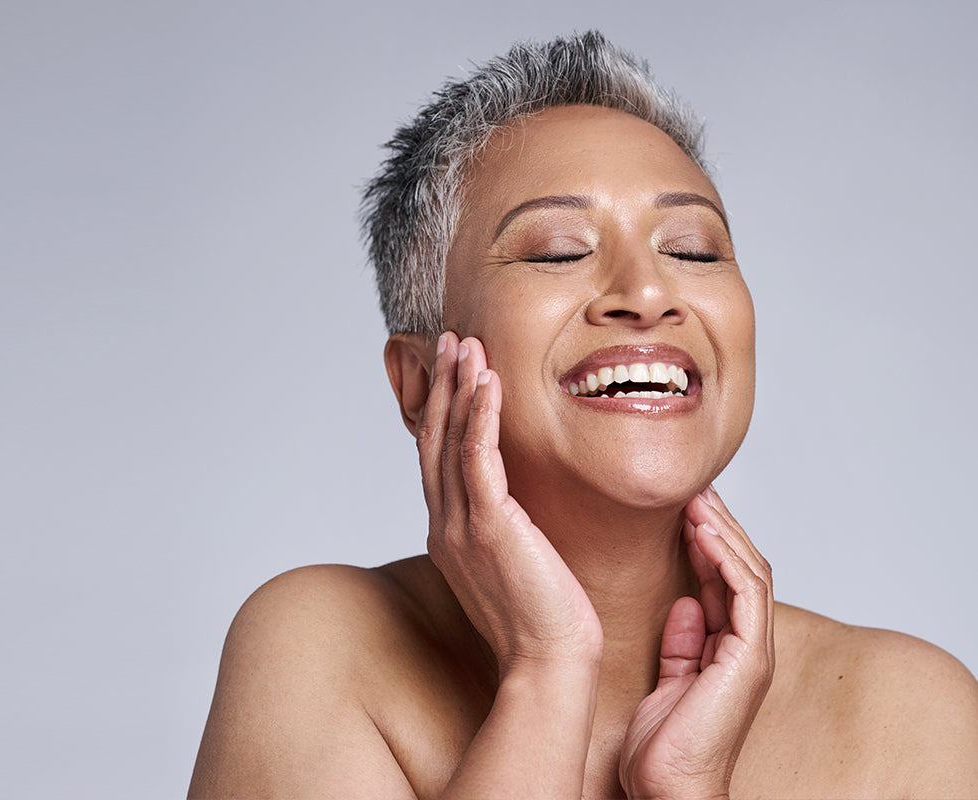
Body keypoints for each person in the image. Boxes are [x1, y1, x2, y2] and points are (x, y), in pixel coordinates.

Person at [188, 31, 978, 799]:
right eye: (559, 250)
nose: (647, 292)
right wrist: (546, 668)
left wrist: (689, 790)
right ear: (421, 384)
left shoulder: (909, 714)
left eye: (694, 251)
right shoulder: (317, 646)